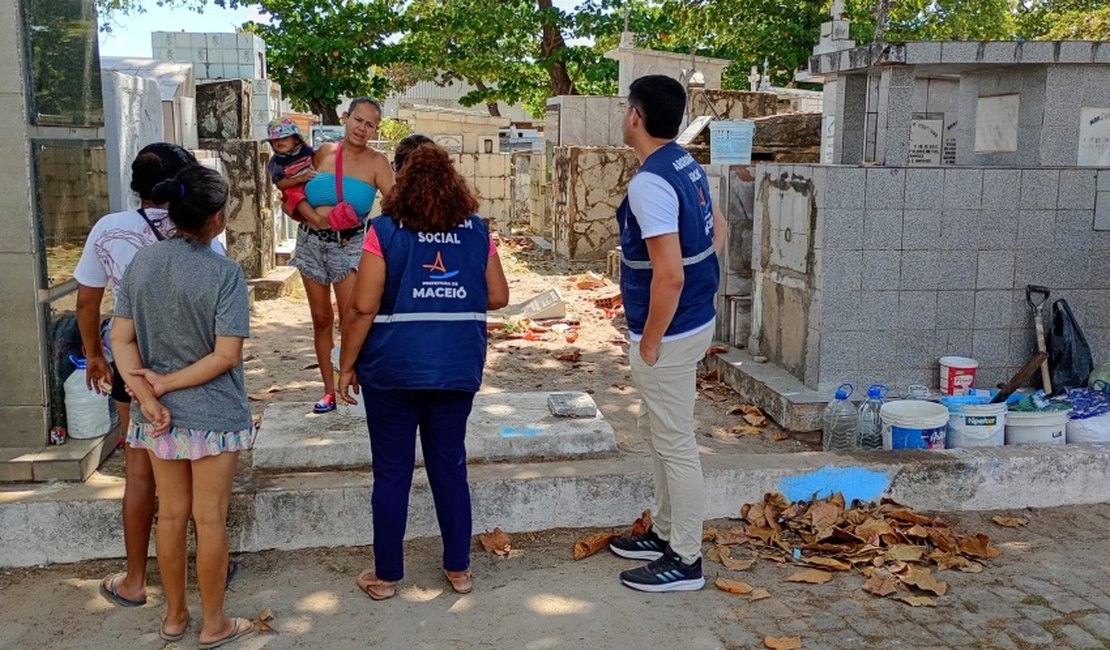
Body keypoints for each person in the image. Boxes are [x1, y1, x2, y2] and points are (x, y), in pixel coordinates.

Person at [336, 136, 509, 600]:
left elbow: (363, 306)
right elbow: (498, 296)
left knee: (392, 472)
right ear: (453, 180)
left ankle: (386, 576)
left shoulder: (384, 231)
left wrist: (345, 365)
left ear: (400, 180)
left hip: (392, 370)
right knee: (449, 466)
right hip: (456, 366)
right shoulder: (476, 230)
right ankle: (459, 571)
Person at [73, 143, 229, 608]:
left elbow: (87, 301)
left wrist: (95, 355)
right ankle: (207, 575)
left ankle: (137, 580)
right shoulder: (204, 228)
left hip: (133, 364)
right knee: (203, 483)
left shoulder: (108, 228)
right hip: (195, 364)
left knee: (140, 474)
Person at [110, 165, 255, 648]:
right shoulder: (226, 273)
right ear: (217, 218)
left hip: (159, 420)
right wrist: (166, 384)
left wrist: (149, 398)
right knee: (208, 518)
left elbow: (121, 338)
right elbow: (226, 355)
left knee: (169, 516)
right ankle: (214, 624)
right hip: (215, 416)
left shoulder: (143, 263)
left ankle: (174, 617)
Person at [606, 75, 726, 593]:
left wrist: (651, 339)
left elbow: (669, 273)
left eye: (623, 107)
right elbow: (718, 229)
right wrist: (698, 287)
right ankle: (663, 532)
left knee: (675, 443)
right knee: (663, 434)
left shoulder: (650, 182)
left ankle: (685, 559)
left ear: (635, 116)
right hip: (696, 318)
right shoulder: (684, 163)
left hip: (671, 332)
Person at [291, 97, 395, 414]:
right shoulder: (323, 153)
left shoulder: (378, 163)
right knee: (321, 319)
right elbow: (292, 192)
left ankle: (353, 383)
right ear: (346, 118)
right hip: (310, 242)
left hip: (349, 246)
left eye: (370, 125)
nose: (362, 128)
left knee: (353, 318)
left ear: (376, 129)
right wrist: (315, 217)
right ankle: (328, 391)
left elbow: (398, 205)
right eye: (358, 120)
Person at [264, 116, 319, 225]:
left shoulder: (306, 150)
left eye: (284, 138)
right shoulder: (276, 162)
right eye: (275, 140)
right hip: (293, 188)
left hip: (313, 181)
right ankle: (315, 220)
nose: (279, 142)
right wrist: (300, 179)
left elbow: (317, 162)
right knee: (296, 197)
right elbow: (280, 184)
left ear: (296, 139)